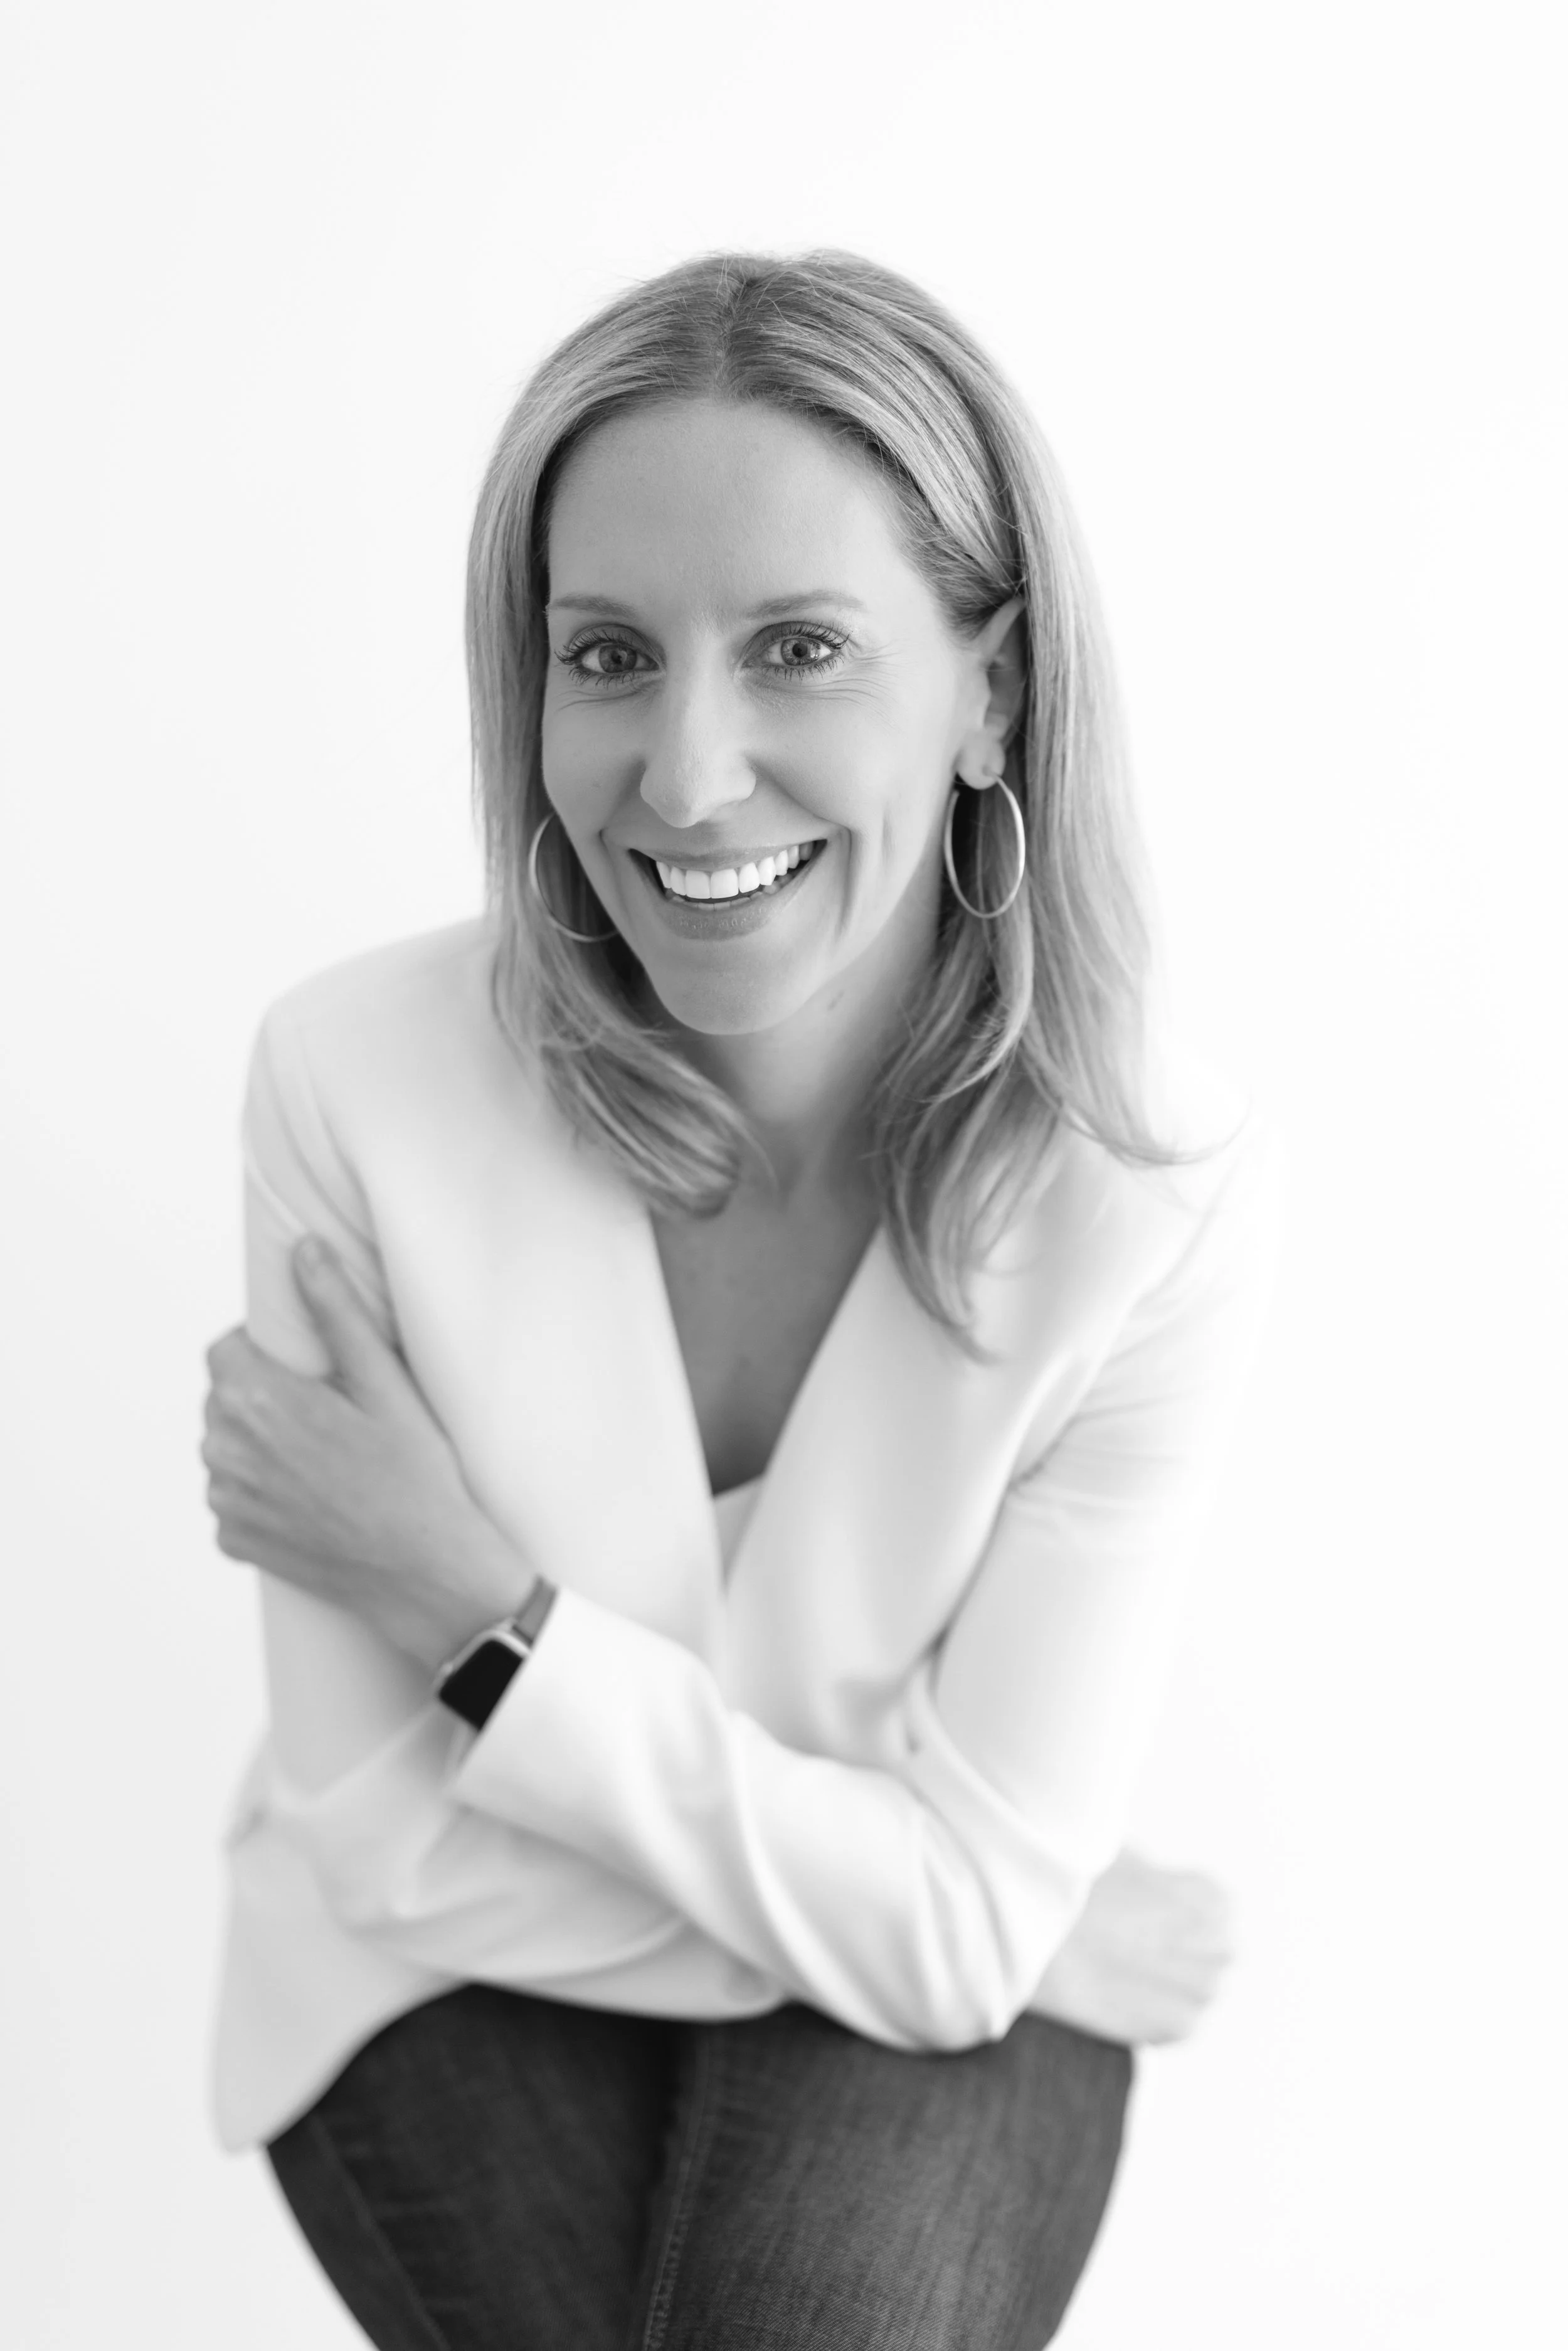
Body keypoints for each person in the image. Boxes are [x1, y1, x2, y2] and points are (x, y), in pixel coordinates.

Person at [200, 247, 1281, 2351]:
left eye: (797, 647)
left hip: (833, 1946)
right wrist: (974, 1907)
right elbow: (384, 1856)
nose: (686, 773)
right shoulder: (355, 1087)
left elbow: (958, 1923)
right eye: (608, 654)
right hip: (435, 1980)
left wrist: (478, 1622)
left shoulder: (1138, 1188)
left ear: (995, 690)